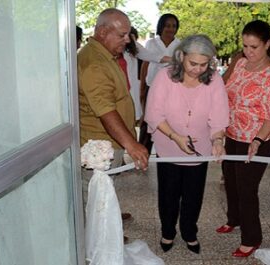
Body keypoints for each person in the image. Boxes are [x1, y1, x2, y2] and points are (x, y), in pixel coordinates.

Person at [145, 34, 229, 254]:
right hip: (169, 146)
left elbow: (219, 115)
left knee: (193, 194)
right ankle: (167, 232)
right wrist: (175, 136)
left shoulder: (214, 80)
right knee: (168, 193)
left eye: (204, 64)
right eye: (193, 63)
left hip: (198, 150)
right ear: (181, 56)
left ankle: (189, 232)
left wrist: (218, 140)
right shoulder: (165, 77)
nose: (197, 69)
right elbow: (153, 113)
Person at [216, 20, 270, 257]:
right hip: (234, 134)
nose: (249, 51)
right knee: (231, 181)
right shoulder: (241, 63)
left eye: (254, 46)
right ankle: (233, 219)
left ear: (267, 44)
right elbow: (222, 87)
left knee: (247, 188)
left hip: (258, 139)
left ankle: (252, 237)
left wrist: (257, 140)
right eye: (245, 46)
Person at [77, 8, 149, 219]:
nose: (127, 40)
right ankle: (97, 246)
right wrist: (132, 145)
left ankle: (108, 231)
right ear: (102, 32)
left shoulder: (105, 55)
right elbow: (105, 110)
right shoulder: (94, 63)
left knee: (104, 195)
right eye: (122, 35)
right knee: (94, 202)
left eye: (128, 34)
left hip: (110, 143)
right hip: (99, 146)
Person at [139, 13, 181, 154]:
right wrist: (142, 87)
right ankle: (143, 154)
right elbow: (145, 64)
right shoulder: (151, 43)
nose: (170, 29)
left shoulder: (180, 45)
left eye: (173, 26)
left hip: (172, 90)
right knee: (148, 120)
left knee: (168, 121)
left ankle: (164, 153)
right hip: (152, 87)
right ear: (161, 26)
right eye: (167, 25)